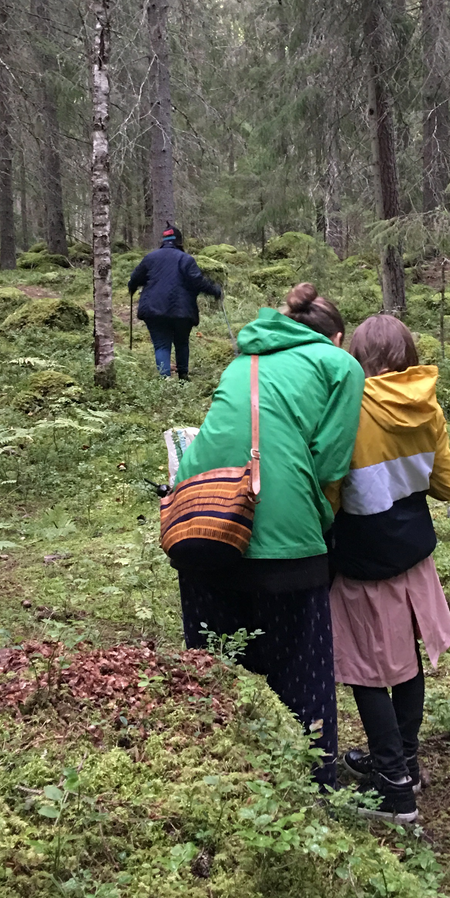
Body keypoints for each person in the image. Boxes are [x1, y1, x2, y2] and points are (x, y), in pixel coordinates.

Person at [170, 283, 364, 785]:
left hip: (202, 525)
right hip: (285, 536)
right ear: (335, 337)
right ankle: (315, 785)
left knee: (216, 668)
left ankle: (220, 779)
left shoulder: (242, 362)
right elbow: (331, 462)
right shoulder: (341, 366)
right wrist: (320, 524)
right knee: (302, 669)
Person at [329, 314, 450, 823]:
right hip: (413, 557)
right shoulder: (426, 404)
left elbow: (330, 493)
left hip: (364, 562)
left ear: (358, 358)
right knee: (406, 663)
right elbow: (447, 486)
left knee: (366, 671)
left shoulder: (350, 408)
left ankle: (394, 789)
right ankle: (406, 760)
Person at [128, 226, 222, 379]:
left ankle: (165, 380)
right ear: (179, 241)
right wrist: (215, 291)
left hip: (154, 309)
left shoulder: (150, 258)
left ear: (163, 241)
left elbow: (134, 279)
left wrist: (132, 287)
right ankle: (183, 377)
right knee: (182, 342)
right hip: (182, 310)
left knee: (161, 345)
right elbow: (197, 281)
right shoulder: (186, 259)